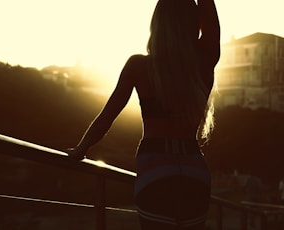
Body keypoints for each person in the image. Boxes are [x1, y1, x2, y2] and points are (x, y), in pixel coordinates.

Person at [66, 0, 220, 229]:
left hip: (155, 172)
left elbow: (106, 117)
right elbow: (210, 20)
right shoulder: (204, 61)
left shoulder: (138, 66)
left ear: (157, 24)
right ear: (193, 24)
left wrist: (82, 147)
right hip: (194, 171)